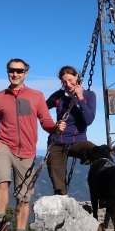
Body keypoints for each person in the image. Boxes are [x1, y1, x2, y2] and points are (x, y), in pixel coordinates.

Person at [0, 58, 65, 231]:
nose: (15, 74)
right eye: (11, 70)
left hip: (27, 152)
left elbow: (46, 122)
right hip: (3, 147)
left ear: (26, 73)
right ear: (8, 72)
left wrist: (56, 128)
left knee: (24, 197)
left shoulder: (36, 96)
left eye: (19, 71)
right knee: (1, 180)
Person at [46, 65, 97, 195]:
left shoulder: (89, 95)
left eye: (70, 80)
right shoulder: (58, 96)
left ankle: (103, 197)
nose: (68, 84)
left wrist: (80, 98)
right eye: (64, 82)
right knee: (58, 184)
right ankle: (63, 204)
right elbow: (42, 110)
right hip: (57, 142)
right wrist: (54, 125)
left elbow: (88, 120)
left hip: (78, 141)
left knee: (99, 154)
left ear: (77, 77)